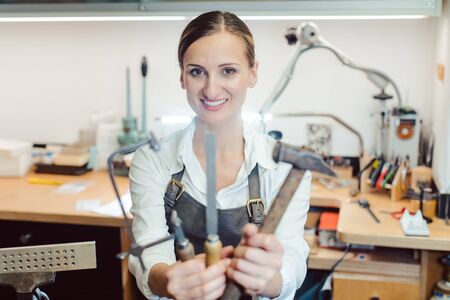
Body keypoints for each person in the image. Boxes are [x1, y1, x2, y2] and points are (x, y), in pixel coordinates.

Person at [129, 10, 311, 300]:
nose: (211, 89)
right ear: (182, 77)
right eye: (197, 71)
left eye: (228, 70)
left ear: (253, 73)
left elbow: (292, 259)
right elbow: (149, 253)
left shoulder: (283, 168)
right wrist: (166, 280)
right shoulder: (152, 160)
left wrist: (269, 279)